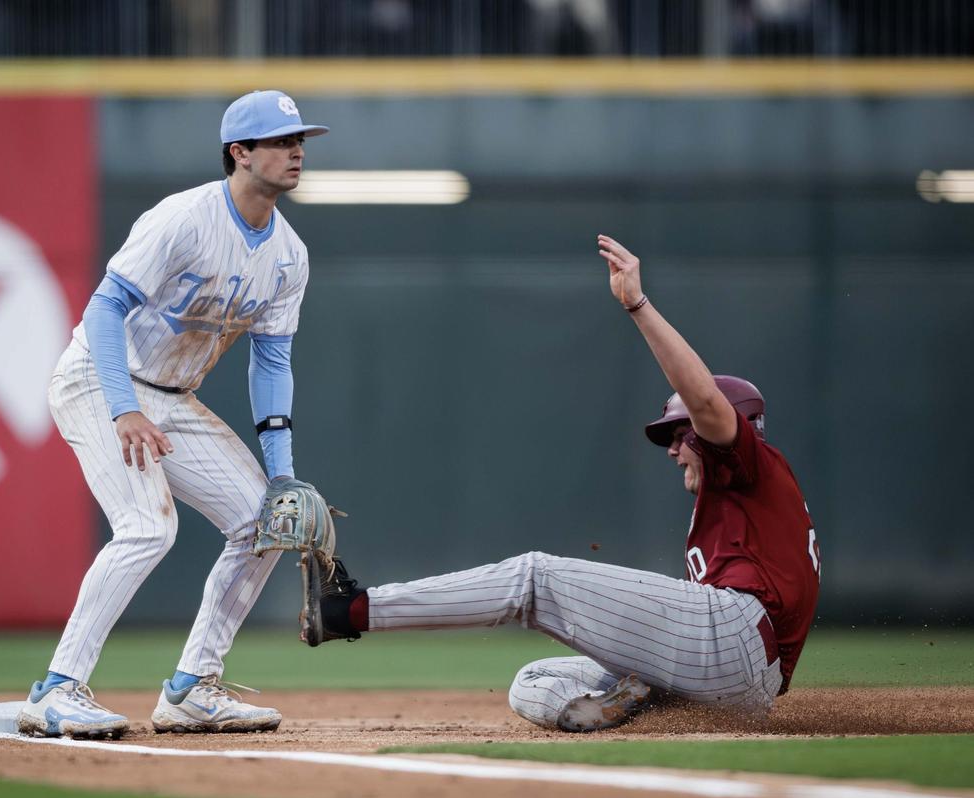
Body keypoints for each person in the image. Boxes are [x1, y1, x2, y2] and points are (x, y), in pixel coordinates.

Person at [305, 235, 821, 732]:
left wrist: (637, 304)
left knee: (533, 578)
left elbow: (707, 402)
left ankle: (350, 611)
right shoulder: (747, 499)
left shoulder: (751, 462)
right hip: (740, 683)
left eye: (679, 435)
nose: (671, 448)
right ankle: (609, 715)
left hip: (733, 640)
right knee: (534, 679)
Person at [17, 90, 328, 738]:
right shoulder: (184, 219)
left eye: (300, 140)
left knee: (262, 522)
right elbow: (104, 309)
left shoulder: (289, 255)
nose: (296, 151)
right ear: (239, 153)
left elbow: (270, 365)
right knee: (146, 527)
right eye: (280, 141)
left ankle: (190, 689)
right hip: (98, 378)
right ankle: (55, 689)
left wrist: (282, 475)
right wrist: (124, 410)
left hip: (173, 397)